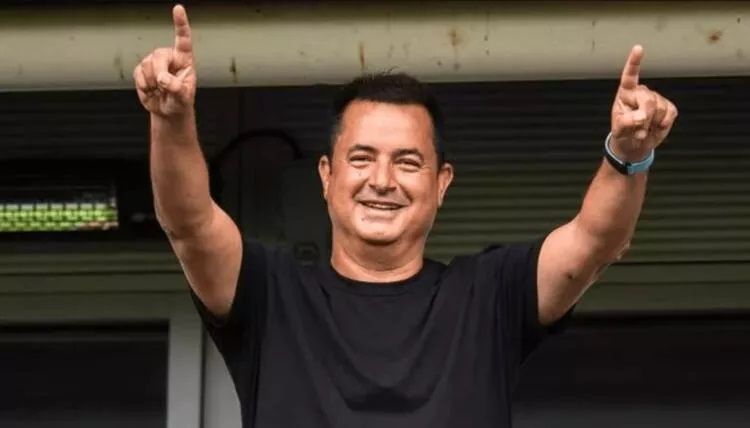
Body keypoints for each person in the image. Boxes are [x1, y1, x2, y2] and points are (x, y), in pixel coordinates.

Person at [133, 5, 678, 428]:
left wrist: (628, 154)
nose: (382, 181)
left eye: (408, 162)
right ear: (326, 176)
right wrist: (171, 119)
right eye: (361, 158)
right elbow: (189, 223)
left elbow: (594, 242)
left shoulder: (489, 295)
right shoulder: (268, 293)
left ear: (442, 183)